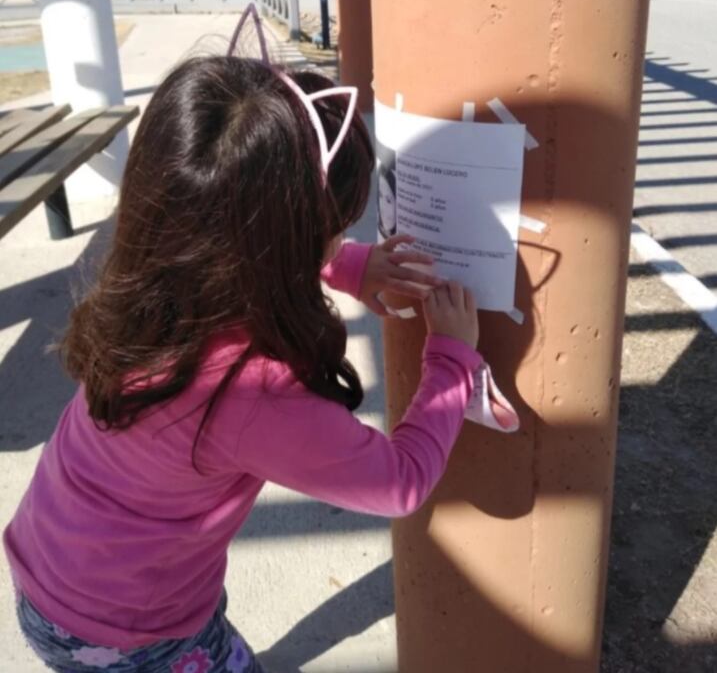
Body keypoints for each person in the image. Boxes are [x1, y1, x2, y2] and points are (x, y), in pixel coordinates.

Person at [3, 54, 481, 673]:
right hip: (128, 632)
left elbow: (241, 241)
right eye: (335, 227)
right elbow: (399, 483)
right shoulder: (253, 394)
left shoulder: (143, 275)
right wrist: (451, 357)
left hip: (54, 568)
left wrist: (351, 265)